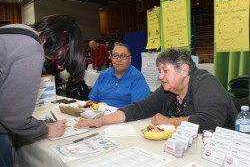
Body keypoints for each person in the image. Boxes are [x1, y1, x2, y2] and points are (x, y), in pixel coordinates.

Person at [75, 48, 238, 133]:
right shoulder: (168, 90)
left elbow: (209, 121)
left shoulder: (205, 82)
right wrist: (101, 120)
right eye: (159, 71)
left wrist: (169, 121)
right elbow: (139, 108)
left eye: (165, 71)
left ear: (183, 70)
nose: (161, 76)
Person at [0, 14, 85, 167]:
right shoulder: (31, 48)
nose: (56, 60)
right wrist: (47, 130)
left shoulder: (16, 31)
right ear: (63, 36)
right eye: (64, 53)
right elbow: (14, 117)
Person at [88, 42, 151, 108]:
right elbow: (93, 101)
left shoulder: (137, 78)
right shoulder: (103, 75)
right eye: (115, 56)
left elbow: (138, 109)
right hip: (101, 114)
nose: (118, 59)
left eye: (123, 56)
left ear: (130, 59)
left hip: (125, 116)